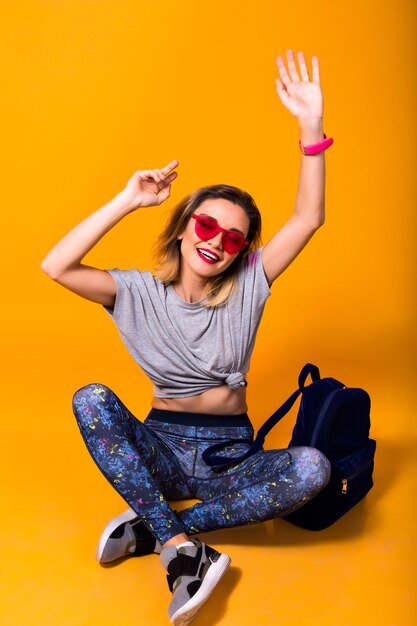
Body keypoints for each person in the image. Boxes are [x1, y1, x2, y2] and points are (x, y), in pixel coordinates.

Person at [41, 49, 333, 626]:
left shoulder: (251, 283)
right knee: (90, 398)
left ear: (242, 251)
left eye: (232, 238)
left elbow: (308, 218)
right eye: (205, 225)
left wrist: (310, 127)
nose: (216, 242)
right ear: (181, 228)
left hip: (232, 457)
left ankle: (160, 527)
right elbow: (56, 265)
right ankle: (182, 552)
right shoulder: (132, 291)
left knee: (313, 469)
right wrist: (128, 199)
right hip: (163, 450)